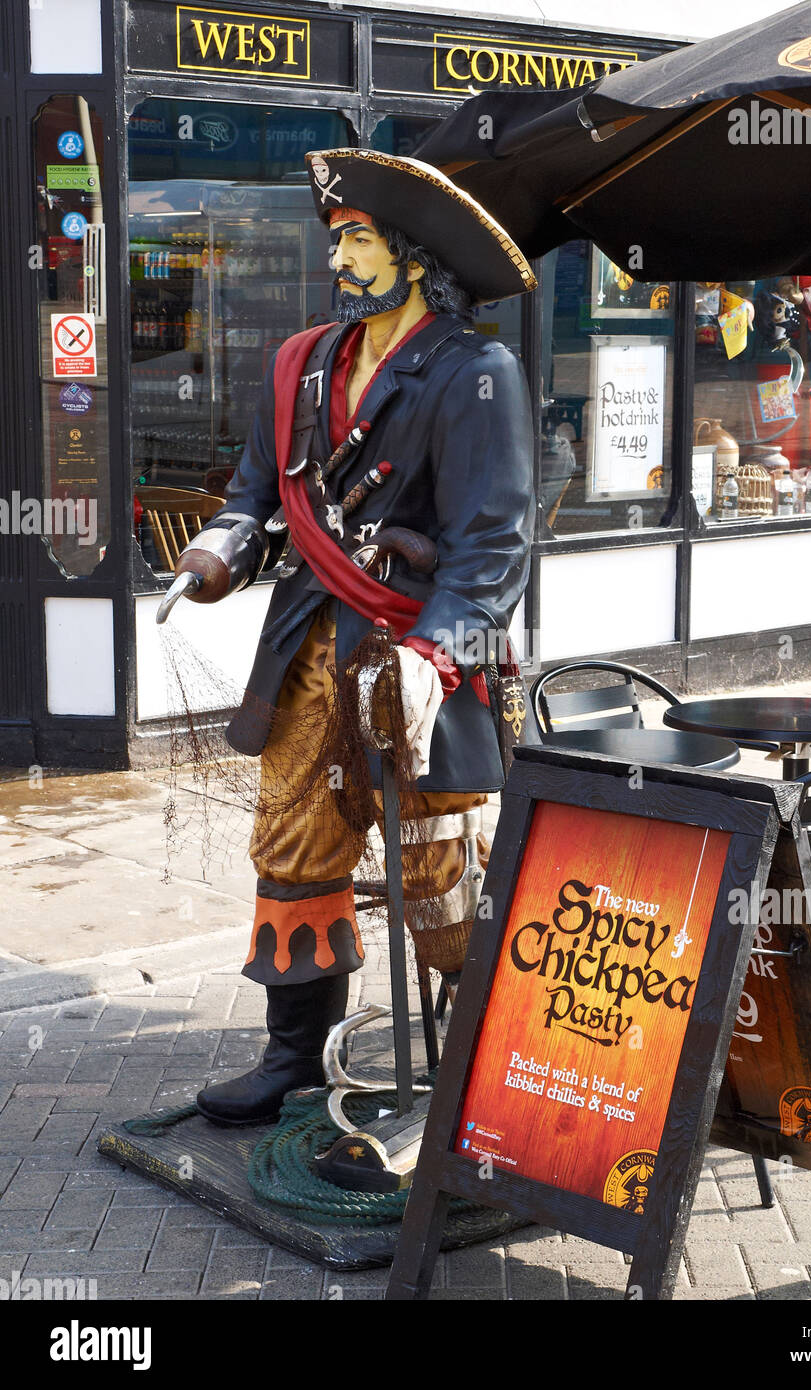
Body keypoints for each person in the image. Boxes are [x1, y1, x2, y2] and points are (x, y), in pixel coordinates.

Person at [166, 149, 537, 1125]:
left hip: (421, 660)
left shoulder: (474, 373)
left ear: (414, 255)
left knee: (439, 871)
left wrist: (433, 655)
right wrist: (217, 558)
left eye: (360, 240)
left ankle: (484, 1062)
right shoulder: (301, 363)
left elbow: (493, 546)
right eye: (336, 240)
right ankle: (293, 1059)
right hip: (305, 651)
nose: (341, 260)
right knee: (292, 846)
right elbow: (258, 493)